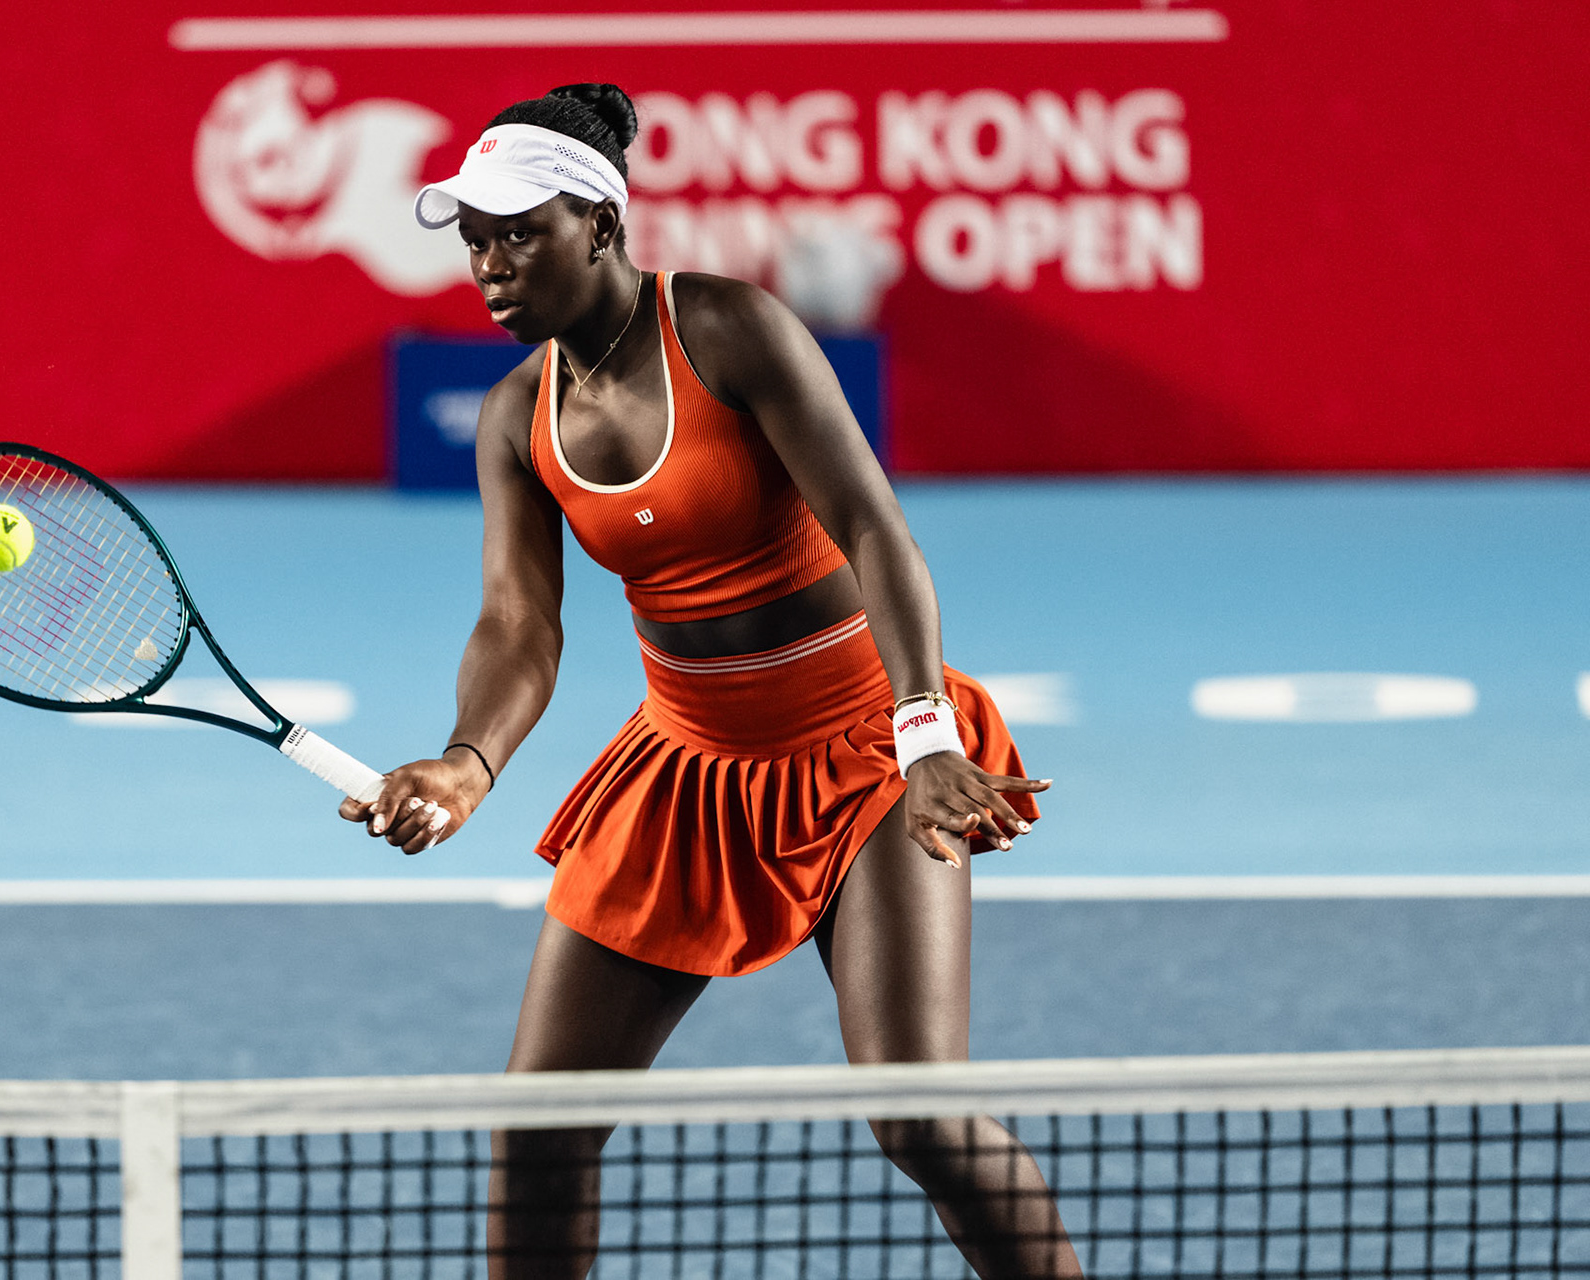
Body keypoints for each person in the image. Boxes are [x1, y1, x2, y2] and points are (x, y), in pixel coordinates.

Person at [341, 83, 1085, 1279]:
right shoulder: (513, 414)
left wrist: (926, 730)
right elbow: (519, 620)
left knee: (923, 1118)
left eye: (517, 231)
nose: (488, 262)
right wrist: (467, 760)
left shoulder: (731, 330)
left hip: (867, 751)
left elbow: (875, 529)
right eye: (474, 238)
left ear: (598, 220)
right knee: (536, 1133)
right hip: (687, 766)